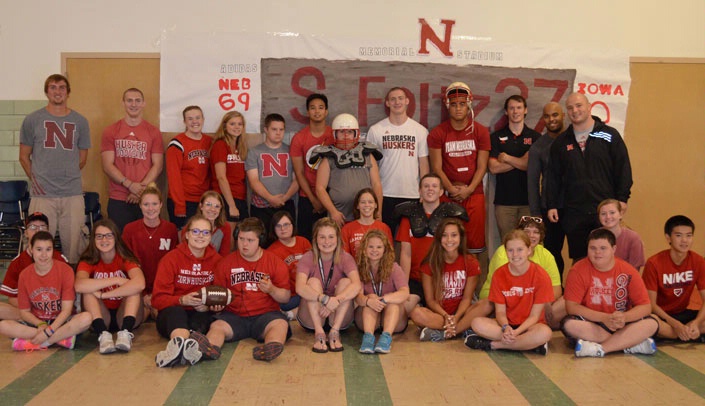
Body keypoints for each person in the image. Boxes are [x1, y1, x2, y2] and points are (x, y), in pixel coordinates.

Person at [546, 93, 633, 262]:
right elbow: (553, 177)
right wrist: (552, 205)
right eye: (570, 108)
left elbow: (623, 169)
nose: (575, 111)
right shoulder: (561, 143)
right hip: (575, 213)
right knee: (580, 261)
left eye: (579, 106)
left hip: (605, 211)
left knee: (607, 257)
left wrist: (622, 198)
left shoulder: (609, 135)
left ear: (589, 106)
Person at [19, 74, 90, 264]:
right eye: (52, 87)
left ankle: (73, 290)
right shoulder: (33, 120)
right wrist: (37, 180)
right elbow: (24, 156)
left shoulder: (80, 121)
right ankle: (39, 290)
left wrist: (66, 175)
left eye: (61, 87)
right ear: (46, 91)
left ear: (68, 92)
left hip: (72, 194)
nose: (57, 91)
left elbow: (82, 159)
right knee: (39, 246)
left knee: (75, 246)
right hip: (42, 195)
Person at [205, 217, 292, 362]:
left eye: (250, 240)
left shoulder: (274, 262)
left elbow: (285, 297)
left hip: (266, 315)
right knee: (217, 326)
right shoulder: (225, 263)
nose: (244, 244)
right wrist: (216, 305)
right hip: (234, 316)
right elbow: (218, 295)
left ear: (260, 240)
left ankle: (270, 348)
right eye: (241, 239)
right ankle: (209, 349)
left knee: (280, 324)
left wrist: (271, 289)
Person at [562, 228, 658, 357]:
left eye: (603, 248)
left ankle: (601, 348)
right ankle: (629, 344)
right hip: (594, 323)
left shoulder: (628, 270)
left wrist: (625, 317)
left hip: (622, 324)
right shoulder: (577, 270)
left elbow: (646, 306)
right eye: (592, 248)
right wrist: (604, 318)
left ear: (613, 249)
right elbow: (571, 307)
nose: (597, 253)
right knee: (569, 325)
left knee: (651, 323)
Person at [465, 229, 554, 354]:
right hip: (506, 325)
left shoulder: (541, 275)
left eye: (520, 250)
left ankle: (495, 345)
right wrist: (506, 328)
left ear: (529, 250)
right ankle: (530, 345)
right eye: (510, 250)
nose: (515, 255)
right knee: (476, 323)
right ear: (505, 252)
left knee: (545, 333)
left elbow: (534, 316)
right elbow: (500, 312)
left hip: (531, 326)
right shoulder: (499, 274)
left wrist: (516, 332)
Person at [0, 231, 91, 351]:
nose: (44, 255)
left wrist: (49, 332)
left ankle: (41, 342)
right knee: (3, 325)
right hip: (37, 323)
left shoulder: (65, 270)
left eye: (48, 249)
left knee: (86, 318)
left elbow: (67, 310)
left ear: (53, 250)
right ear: (31, 249)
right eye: (39, 249)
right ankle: (61, 339)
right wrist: (41, 325)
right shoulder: (24, 275)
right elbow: (24, 312)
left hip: (61, 321)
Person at [151, 215, 223, 367]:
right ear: (187, 234)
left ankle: (182, 350)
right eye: (196, 231)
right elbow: (157, 299)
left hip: (199, 313)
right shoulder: (170, 259)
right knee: (176, 313)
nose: (200, 236)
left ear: (211, 236)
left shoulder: (217, 261)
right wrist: (181, 300)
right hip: (172, 313)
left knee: (202, 319)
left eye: (205, 232)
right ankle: (181, 344)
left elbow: (220, 294)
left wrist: (210, 305)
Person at [428, 81, 490, 254]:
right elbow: (436, 167)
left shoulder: (481, 131)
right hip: (448, 195)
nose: (458, 109)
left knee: (474, 247)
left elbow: (482, 166)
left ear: (469, 104)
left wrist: (468, 190)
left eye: (462, 104)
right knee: (446, 245)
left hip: (474, 193)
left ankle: (472, 281)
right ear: (448, 106)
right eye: (454, 105)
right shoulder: (437, 133)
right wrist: (451, 190)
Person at [479, 216, 564, 329]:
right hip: (503, 303)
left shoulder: (546, 255)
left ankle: (514, 337)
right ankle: (524, 336)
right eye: (527, 231)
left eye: (536, 232)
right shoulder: (504, 254)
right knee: (479, 321)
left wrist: (543, 302)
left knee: (564, 303)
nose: (531, 235)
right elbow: (508, 290)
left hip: (533, 303)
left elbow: (556, 289)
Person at [75, 219, 145, 354]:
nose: (104, 240)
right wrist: (116, 280)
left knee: (134, 290)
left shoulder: (125, 258)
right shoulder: (88, 260)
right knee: (88, 291)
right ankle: (103, 335)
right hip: (101, 314)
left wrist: (104, 294)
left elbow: (140, 283)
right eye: (99, 236)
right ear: (93, 240)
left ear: (116, 238)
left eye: (109, 235)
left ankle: (125, 333)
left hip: (124, 314)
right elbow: (79, 285)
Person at [396, 173, 468, 304]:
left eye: (434, 186)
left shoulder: (451, 219)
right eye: (426, 186)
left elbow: (456, 254)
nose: (430, 189)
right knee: (406, 308)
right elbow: (405, 254)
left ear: (441, 191)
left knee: (444, 310)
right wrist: (404, 286)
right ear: (420, 191)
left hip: (440, 278)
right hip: (416, 279)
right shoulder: (408, 218)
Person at [366, 87, 429, 235]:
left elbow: (424, 164)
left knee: (409, 240)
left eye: (400, 98)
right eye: (393, 99)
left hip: (412, 194)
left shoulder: (419, 131)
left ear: (407, 101)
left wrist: (423, 191)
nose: (397, 102)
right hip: (385, 194)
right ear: (387, 103)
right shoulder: (376, 130)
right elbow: (370, 165)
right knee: (383, 238)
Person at [101, 88, 164, 231]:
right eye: (129, 100)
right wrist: (130, 185)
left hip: (146, 198)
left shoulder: (153, 131)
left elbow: (158, 165)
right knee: (120, 243)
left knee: (144, 243)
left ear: (143, 104)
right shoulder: (110, 131)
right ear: (123, 103)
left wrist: (140, 189)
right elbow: (107, 165)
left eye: (137, 100)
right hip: (118, 197)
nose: (133, 104)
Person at [296, 218, 362, 353]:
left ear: (338, 239)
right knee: (312, 282)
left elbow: (357, 285)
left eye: (331, 237)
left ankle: (334, 332)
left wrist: (336, 300)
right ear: (316, 239)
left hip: (337, 316)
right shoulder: (308, 257)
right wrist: (324, 299)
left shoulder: (346, 257)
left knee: (347, 283)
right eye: (322, 237)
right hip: (313, 318)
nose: (327, 242)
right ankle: (319, 333)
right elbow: (300, 287)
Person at [409, 218, 480, 342]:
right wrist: (446, 316)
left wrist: (456, 317)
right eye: (444, 236)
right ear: (438, 239)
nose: (449, 240)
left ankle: (445, 332)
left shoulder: (471, 262)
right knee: (416, 313)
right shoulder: (428, 264)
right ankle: (463, 329)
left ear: (461, 238)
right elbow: (430, 300)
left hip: (462, 313)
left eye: (454, 235)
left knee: (486, 305)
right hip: (439, 315)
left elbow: (467, 298)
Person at [313, 113, 383, 227]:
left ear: (356, 133)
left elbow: (376, 184)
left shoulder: (368, 154)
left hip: (365, 214)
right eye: (341, 132)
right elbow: (320, 188)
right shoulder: (329, 157)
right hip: (338, 216)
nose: (346, 135)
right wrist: (333, 211)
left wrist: (378, 211)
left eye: (349, 132)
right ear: (335, 133)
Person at [643, 215, 705, 341]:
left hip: (682, 314)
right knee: (649, 322)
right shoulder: (654, 263)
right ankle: (685, 334)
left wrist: (696, 323)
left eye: (689, 235)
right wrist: (675, 324)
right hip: (661, 316)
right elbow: (651, 305)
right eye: (678, 235)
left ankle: (680, 334)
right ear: (668, 238)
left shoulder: (698, 261)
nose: (684, 240)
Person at [122, 184, 179, 320]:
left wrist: (156, 294)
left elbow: (174, 264)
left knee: (162, 317)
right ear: (140, 206)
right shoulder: (130, 230)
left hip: (161, 289)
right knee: (135, 320)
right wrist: (142, 295)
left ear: (160, 205)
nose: (150, 208)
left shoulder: (170, 229)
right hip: (137, 289)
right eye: (146, 204)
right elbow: (124, 262)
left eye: (154, 204)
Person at [488, 95, 540, 238]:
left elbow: (530, 166)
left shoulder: (535, 137)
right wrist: (521, 160)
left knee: (530, 243)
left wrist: (507, 158)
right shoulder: (496, 137)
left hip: (529, 202)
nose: (515, 111)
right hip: (504, 203)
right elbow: (493, 168)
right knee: (508, 244)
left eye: (519, 107)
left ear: (525, 110)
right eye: (511, 108)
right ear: (506, 112)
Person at [1, 212, 67, 320]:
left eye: (42, 227)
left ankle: (38, 330)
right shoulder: (17, 262)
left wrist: (48, 309)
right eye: (32, 227)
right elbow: (12, 298)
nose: (37, 230)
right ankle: (36, 327)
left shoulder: (59, 259)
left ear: (48, 231)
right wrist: (35, 311)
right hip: (30, 311)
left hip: (55, 311)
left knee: (83, 318)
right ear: (26, 233)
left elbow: (68, 294)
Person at [355, 230, 410, 354]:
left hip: (392, 318)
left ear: (385, 249)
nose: (375, 250)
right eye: (371, 246)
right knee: (371, 297)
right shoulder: (359, 269)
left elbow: (405, 292)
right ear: (364, 249)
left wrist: (385, 299)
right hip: (368, 319)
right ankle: (368, 338)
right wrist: (369, 301)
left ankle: (386, 337)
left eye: (379, 247)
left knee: (393, 302)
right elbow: (357, 297)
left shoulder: (394, 267)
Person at [527, 102, 567, 276]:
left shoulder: (574, 139)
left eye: (555, 115)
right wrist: (536, 213)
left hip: (575, 206)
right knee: (552, 253)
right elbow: (532, 181)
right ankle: (555, 293)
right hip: (550, 209)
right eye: (547, 116)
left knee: (582, 252)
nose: (551, 119)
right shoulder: (538, 147)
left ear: (563, 115)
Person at [290, 94, 334, 240]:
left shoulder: (334, 135)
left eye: (321, 108)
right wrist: (313, 199)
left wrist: (324, 198)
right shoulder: (299, 138)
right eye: (313, 108)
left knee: (330, 239)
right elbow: (299, 172)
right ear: (308, 112)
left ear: (326, 111)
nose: (317, 111)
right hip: (307, 197)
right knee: (306, 240)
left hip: (331, 195)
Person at [246, 113, 298, 232]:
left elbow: (297, 179)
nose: (278, 133)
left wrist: (284, 198)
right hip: (261, 206)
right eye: (274, 129)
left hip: (286, 204)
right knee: (262, 242)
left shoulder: (292, 151)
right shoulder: (254, 152)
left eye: (281, 129)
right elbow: (253, 181)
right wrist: (270, 198)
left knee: (286, 242)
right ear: (266, 130)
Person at [166, 105, 212, 230]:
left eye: (197, 118)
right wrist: (180, 205)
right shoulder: (177, 143)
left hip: (203, 202)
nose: (195, 122)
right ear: (184, 122)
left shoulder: (210, 142)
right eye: (190, 119)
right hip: (184, 201)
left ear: (203, 119)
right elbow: (173, 177)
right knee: (184, 241)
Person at [266, 211, 312, 319]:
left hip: (306, 289)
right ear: (273, 229)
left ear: (292, 225)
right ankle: (291, 313)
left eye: (286, 224)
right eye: (278, 226)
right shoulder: (271, 252)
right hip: (289, 297)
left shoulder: (303, 242)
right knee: (316, 298)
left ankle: (289, 315)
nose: (283, 229)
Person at [211, 111, 249, 237]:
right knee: (229, 240)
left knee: (241, 238)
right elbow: (221, 177)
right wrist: (231, 205)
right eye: (232, 124)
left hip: (240, 197)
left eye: (240, 124)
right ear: (224, 126)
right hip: (225, 198)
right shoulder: (220, 145)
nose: (236, 127)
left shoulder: (240, 146)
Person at [341, 188, 393, 259]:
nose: (367, 205)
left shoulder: (384, 228)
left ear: (376, 205)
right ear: (357, 206)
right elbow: (344, 258)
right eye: (363, 202)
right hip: (354, 269)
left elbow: (389, 255)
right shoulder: (347, 229)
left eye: (370, 202)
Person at [598, 199, 645, 272]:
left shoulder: (633, 238)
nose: (608, 217)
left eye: (612, 212)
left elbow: (634, 271)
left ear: (620, 214)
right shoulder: (594, 235)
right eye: (603, 214)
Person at [187, 191, 231, 256]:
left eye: (217, 206)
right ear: (201, 206)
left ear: (220, 209)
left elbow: (224, 256)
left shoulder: (225, 227)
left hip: (215, 264)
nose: (212, 209)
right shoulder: (190, 226)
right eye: (208, 204)